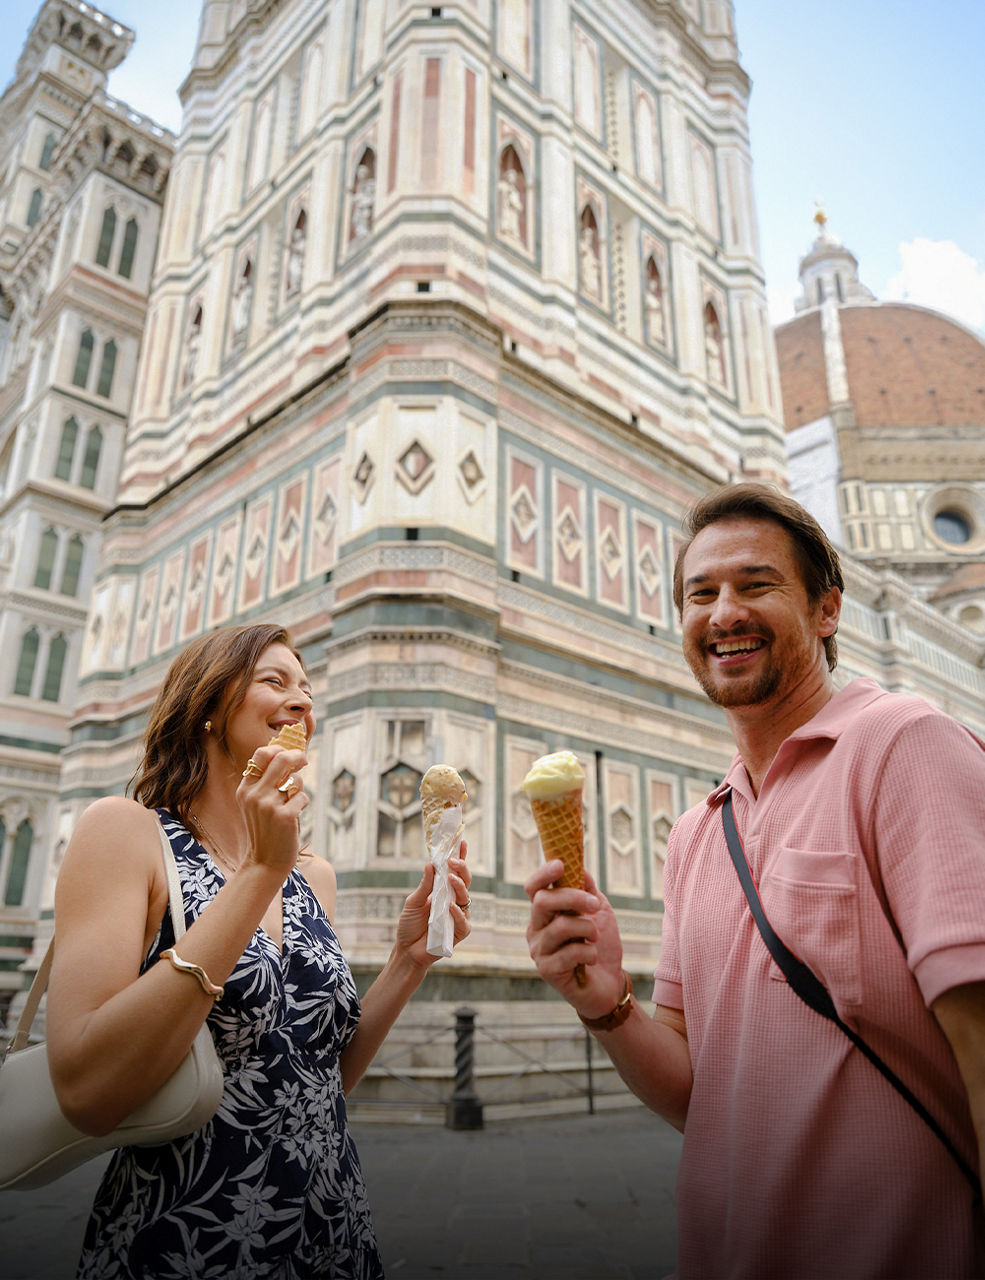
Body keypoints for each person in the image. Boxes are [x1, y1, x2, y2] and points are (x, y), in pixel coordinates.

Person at [525, 482, 985, 1279]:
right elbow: (696, 1096)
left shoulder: (904, 745)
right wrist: (604, 1001)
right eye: (700, 593)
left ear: (826, 609)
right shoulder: (700, 830)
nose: (723, 612)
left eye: (756, 584)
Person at [46, 622, 471, 1279]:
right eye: (274, 681)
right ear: (210, 705)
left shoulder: (311, 875)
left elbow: (315, 1078)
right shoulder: (125, 835)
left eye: (307, 688)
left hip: (331, 1227)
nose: (302, 700)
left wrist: (406, 963)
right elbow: (85, 1092)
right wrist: (257, 875)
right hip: (189, 1234)